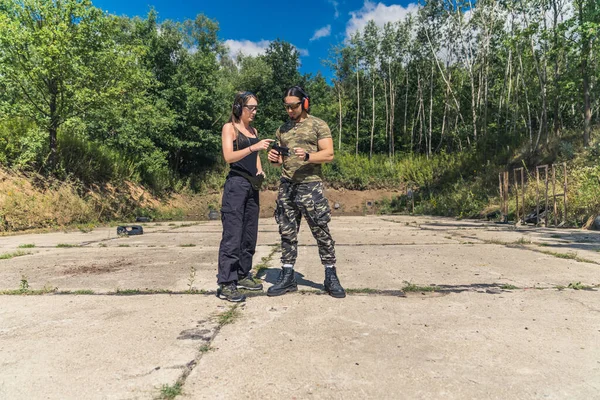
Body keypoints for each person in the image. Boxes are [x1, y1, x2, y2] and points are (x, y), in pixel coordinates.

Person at [266, 86, 345, 298]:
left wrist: (309, 156)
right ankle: (288, 275)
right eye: (287, 107)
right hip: (287, 186)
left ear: (305, 103)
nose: (290, 110)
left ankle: (330, 275)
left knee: (321, 231)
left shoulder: (318, 125)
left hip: (311, 186)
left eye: (294, 106)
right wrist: (274, 160)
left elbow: (328, 154)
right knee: (287, 232)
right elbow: (280, 162)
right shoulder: (282, 129)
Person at [217, 91, 274, 302]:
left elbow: (256, 157)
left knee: (249, 234)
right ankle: (226, 283)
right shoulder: (229, 128)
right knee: (233, 234)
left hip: (252, 186)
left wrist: (260, 170)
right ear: (239, 108)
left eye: (256, 108)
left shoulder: (253, 130)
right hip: (236, 184)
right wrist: (253, 146)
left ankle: (242, 274)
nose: (254, 112)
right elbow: (228, 157)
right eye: (251, 108)